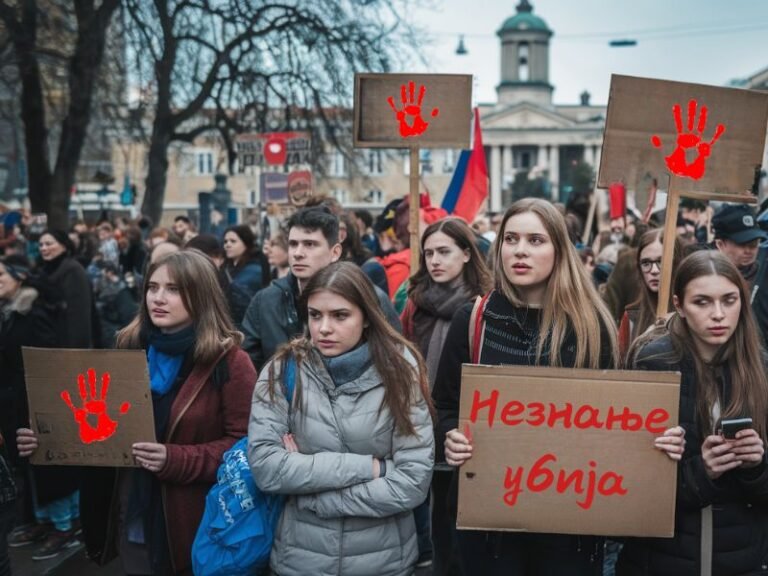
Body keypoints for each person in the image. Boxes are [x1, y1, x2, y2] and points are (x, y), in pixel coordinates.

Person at [17, 251, 256, 575]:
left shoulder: (229, 361)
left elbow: (246, 447)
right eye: (152, 287)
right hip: (132, 513)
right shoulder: (128, 350)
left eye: (173, 289)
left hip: (197, 521)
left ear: (201, 295)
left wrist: (175, 459)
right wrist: (47, 437)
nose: (158, 298)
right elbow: (100, 437)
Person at [433, 198, 618, 575]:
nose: (520, 250)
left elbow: (615, 425)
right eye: (511, 239)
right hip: (490, 529)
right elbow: (444, 407)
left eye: (536, 240)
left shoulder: (591, 328)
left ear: (559, 250)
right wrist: (450, 435)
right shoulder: (474, 320)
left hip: (569, 526)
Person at [247, 261, 434, 576]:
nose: (324, 328)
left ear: (366, 319)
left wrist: (314, 493)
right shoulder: (282, 371)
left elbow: (412, 482)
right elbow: (267, 468)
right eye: (315, 315)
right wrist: (373, 467)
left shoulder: (401, 373)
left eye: (340, 315)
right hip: (300, 561)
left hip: (383, 562)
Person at [618, 250, 768, 576]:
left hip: (742, 561)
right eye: (702, 302)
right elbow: (628, 489)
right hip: (660, 561)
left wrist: (757, 465)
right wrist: (700, 471)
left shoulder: (762, 367)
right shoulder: (652, 363)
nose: (718, 314)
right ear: (679, 305)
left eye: (729, 300)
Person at [401, 217, 492, 573]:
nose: (435, 261)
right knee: (431, 516)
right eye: (428, 254)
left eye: (444, 252)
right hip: (420, 418)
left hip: (464, 424)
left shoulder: (484, 307)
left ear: (467, 254)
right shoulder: (414, 303)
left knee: (458, 518)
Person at [241, 206, 400, 372]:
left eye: (310, 244)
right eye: (293, 244)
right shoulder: (266, 300)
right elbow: (248, 370)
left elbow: (393, 361)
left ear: (335, 252)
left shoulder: (368, 297)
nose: (298, 253)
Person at [618, 229, 682, 361]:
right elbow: (622, 368)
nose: (653, 271)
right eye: (646, 263)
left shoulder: (690, 312)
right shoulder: (632, 316)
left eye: (660, 262)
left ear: (675, 263)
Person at [711, 203, 768, 344]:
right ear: (720, 244)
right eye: (742, 244)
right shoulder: (703, 276)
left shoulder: (764, 272)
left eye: (754, 243)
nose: (749, 250)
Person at [38, 229, 93, 347]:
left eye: (49, 244)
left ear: (63, 245)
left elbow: (78, 315)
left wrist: (75, 351)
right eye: (41, 245)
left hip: (67, 343)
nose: (43, 248)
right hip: (49, 341)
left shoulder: (72, 270)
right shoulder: (43, 270)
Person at [222, 225, 269, 329]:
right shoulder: (225, 267)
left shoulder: (255, 269)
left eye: (233, 241)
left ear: (246, 243)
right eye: (225, 241)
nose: (227, 245)